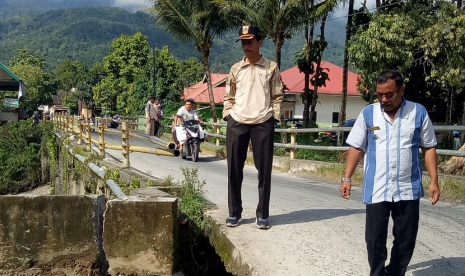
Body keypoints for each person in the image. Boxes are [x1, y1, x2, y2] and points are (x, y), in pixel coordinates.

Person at [340, 70, 441, 276]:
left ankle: (395, 272)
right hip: (376, 187)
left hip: (408, 186)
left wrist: (434, 181)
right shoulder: (369, 113)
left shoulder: (418, 112)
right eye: (379, 95)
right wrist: (346, 178)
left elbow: (428, 147)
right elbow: (356, 147)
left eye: (389, 94)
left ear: (401, 90)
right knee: (374, 238)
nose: (383, 99)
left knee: (406, 238)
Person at [223, 25, 284, 229]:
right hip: (237, 121)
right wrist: (228, 115)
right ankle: (234, 213)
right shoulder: (235, 69)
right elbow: (228, 95)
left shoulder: (271, 68)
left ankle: (262, 215)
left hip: (262, 122)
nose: (246, 46)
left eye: (250, 41)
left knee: (264, 171)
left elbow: (277, 95)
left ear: (259, 42)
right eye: (243, 42)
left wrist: (273, 117)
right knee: (234, 169)